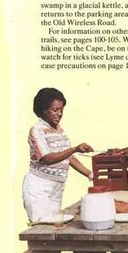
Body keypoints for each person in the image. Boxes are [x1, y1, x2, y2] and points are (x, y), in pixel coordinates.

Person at [22, 88, 93, 222]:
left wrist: (91, 174)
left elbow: (68, 158)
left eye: (61, 110)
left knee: (54, 227)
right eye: (55, 110)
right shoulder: (37, 130)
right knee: (40, 229)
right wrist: (74, 149)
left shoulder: (60, 131)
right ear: (44, 110)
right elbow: (46, 159)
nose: (59, 114)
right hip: (39, 188)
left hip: (57, 188)